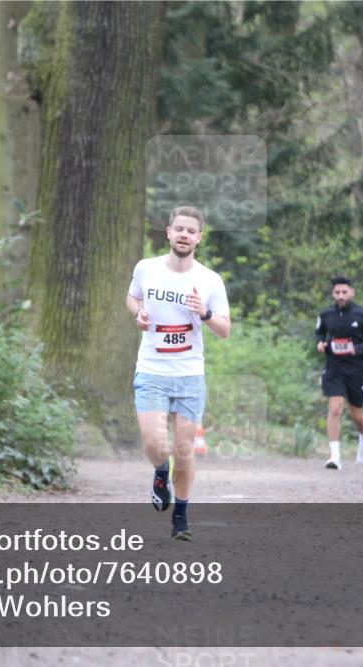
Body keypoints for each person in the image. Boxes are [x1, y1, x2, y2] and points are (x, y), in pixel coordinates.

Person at [126, 205, 230, 541]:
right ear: (168, 233)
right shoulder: (146, 268)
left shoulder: (209, 279)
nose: (184, 235)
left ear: (199, 238)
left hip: (188, 374)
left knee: (184, 449)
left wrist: (205, 312)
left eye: (191, 231)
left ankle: (181, 517)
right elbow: (132, 298)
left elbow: (224, 330)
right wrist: (139, 312)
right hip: (152, 369)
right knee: (155, 443)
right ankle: (160, 472)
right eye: (179, 229)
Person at [315, 276, 363, 469]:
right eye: (337, 292)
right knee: (335, 408)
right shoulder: (325, 314)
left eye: (344, 292)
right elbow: (319, 333)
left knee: (356, 415)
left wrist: (358, 349)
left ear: (352, 292)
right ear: (332, 294)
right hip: (334, 368)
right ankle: (334, 456)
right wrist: (319, 343)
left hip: (357, 370)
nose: (341, 296)